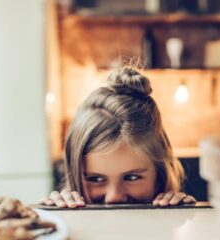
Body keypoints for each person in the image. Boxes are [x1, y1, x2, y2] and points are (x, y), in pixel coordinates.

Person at [40, 66, 196, 208]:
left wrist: (178, 214)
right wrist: (58, 216)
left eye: (132, 177)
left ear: (160, 174)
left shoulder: (174, 217)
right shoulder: (61, 223)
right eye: (95, 179)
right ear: (74, 173)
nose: (114, 197)